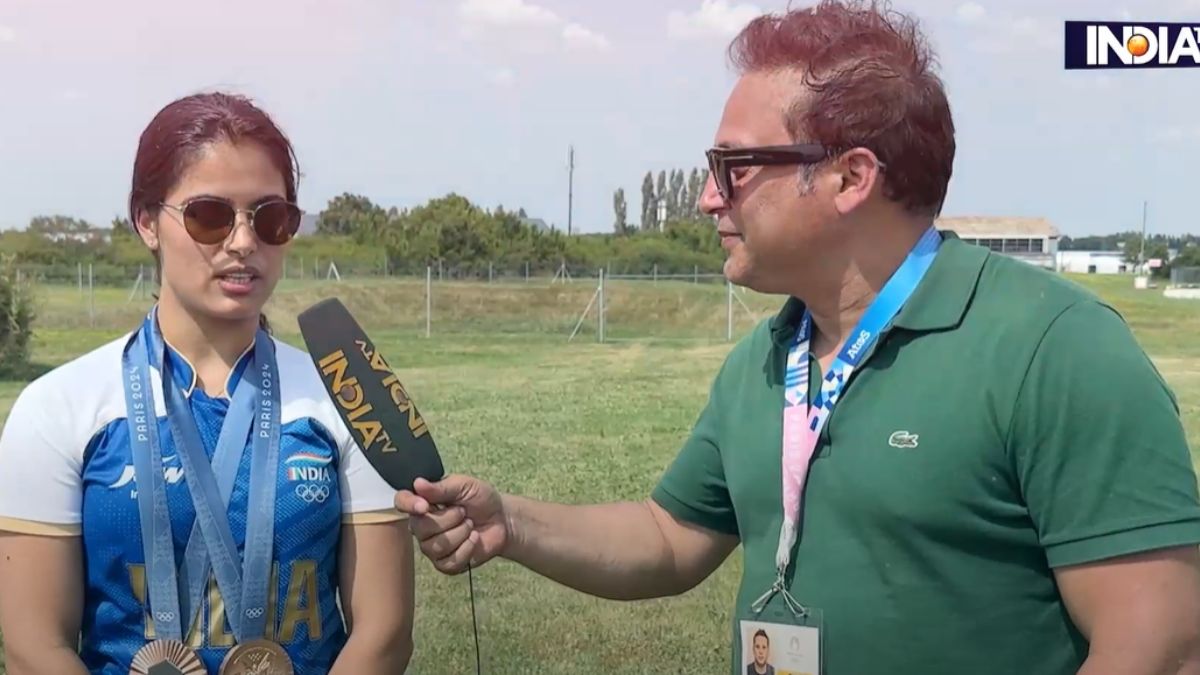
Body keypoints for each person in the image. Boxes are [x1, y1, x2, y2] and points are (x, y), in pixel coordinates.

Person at [395, 1, 1200, 673]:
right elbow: (671, 535)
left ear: (852, 177)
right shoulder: (768, 359)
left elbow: (1157, 640)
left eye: (733, 165)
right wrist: (511, 524)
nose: (709, 198)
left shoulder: (1054, 349)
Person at [0, 92, 415, 674]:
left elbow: (385, 632)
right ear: (147, 221)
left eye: (271, 218)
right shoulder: (57, 409)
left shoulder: (347, 401)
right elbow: (32, 646)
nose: (244, 242)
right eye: (210, 215)